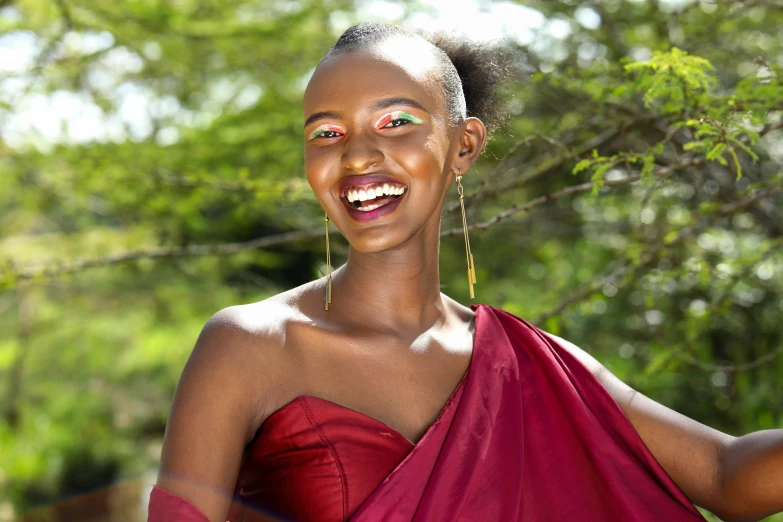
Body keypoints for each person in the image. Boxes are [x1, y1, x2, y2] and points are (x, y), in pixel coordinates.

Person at [147, 21, 783, 522]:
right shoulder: (247, 346)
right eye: (327, 132)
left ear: (464, 145)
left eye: (396, 123)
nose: (358, 154)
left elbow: (727, 475)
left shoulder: (532, 365)